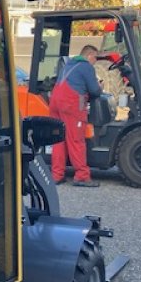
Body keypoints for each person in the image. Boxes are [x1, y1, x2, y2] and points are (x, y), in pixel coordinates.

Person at [50, 44, 102, 187]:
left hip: (55, 102)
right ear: (90, 55)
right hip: (71, 103)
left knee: (59, 140)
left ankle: (57, 175)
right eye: (95, 58)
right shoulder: (86, 67)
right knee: (76, 140)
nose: (95, 61)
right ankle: (82, 176)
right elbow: (95, 91)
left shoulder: (69, 64)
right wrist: (100, 87)